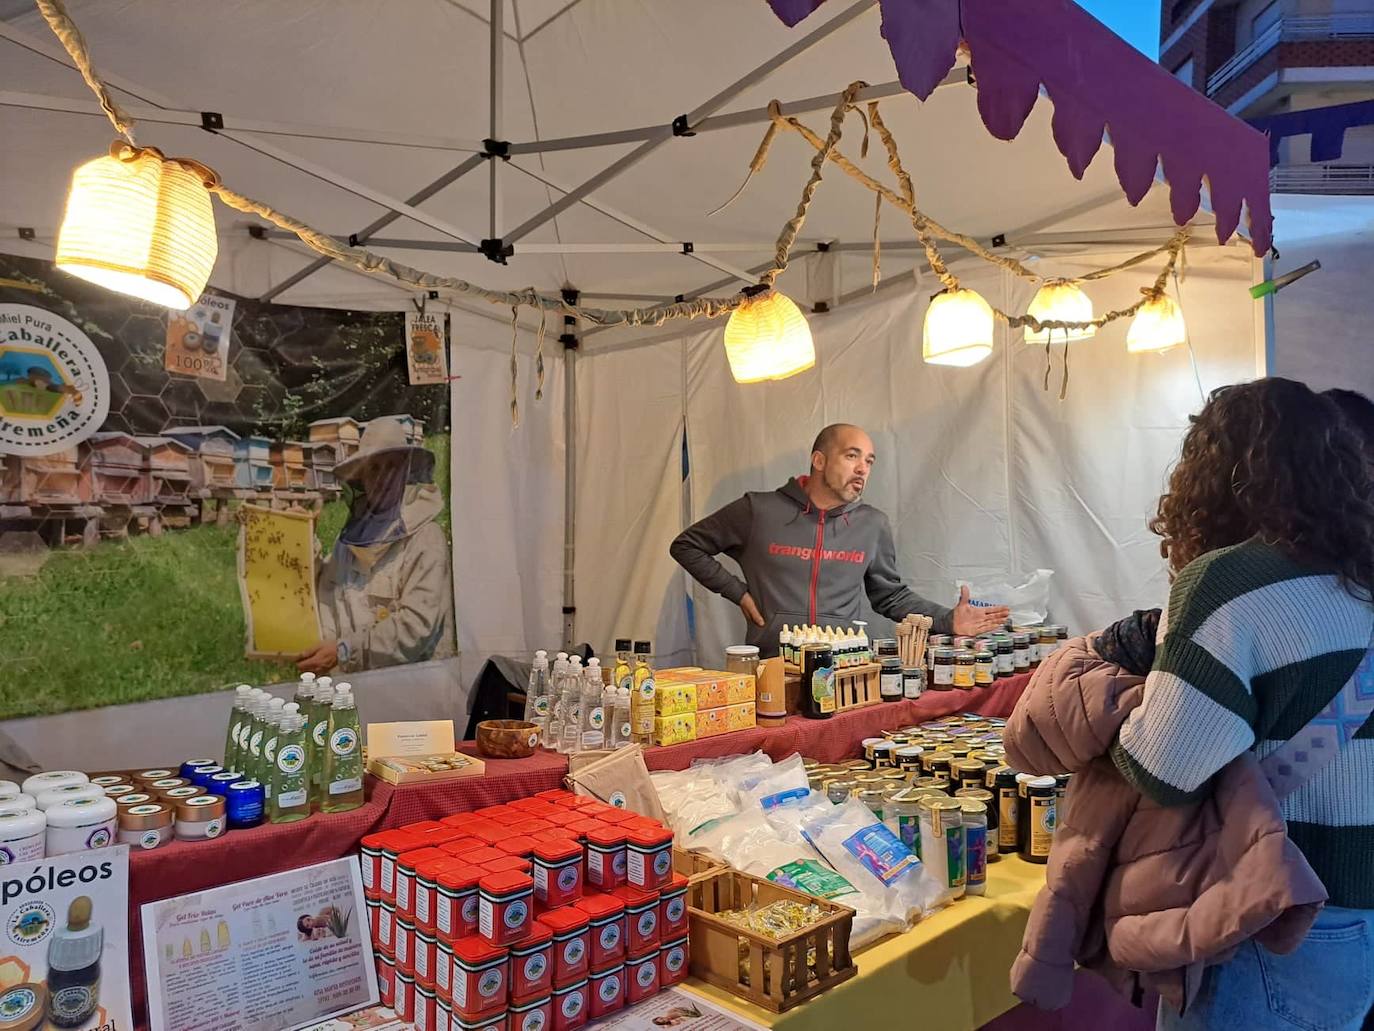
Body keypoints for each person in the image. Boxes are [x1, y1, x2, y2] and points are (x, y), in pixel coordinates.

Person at [1102, 379, 1374, 1030]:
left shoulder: (1225, 583)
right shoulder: (1359, 575)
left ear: (1210, 475)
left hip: (1276, 919)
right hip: (1359, 916)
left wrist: (1113, 715)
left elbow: (1167, 768)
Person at [669, 423, 1008, 656]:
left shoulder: (871, 525)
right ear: (819, 460)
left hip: (841, 669)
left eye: (869, 461)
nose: (863, 468)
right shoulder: (759, 510)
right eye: (852, 456)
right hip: (769, 669)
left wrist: (949, 620)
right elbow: (686, 545)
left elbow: (890, 596)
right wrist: (738, 592)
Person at [296, 415, 455, 675]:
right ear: (361, 477)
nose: (381, 477)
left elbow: (415, 629)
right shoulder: (347, 541)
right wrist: (301, 540)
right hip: (351, 690)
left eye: (391, 466)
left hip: (414, 691)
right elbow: (324, 602)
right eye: (374, 468)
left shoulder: (426, 539)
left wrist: (344, 651)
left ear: (406, 471)